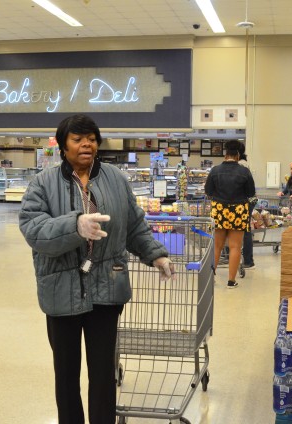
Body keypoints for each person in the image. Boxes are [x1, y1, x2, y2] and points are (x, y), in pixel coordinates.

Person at [18, 114, 174, 424]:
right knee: (66, 374)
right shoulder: (43, 183)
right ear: (64, 146)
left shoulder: (116, 178)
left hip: (107, 287)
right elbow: (33, 228)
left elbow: (133, 225)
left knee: (103, 373)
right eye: (77, 139)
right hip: (61, 290)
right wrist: (74, 225)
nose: (86, 144)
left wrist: (155, 254)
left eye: (91, 138)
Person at [205, 139, 256, 288]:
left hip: (219, 210)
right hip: (238, 211)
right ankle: (231, 281)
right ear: (238, 154)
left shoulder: (215, 170)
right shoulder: (244, 171)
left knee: (217, 246)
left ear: (226, 153)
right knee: (235, 247)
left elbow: (208, 191)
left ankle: (210, 277)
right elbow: (251, 193)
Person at [238, 142, 256, 270]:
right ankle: (247, 259)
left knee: (245, 230)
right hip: (248, 199)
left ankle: (248, 260)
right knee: (245, 229)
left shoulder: (241, 165)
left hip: (245, 201)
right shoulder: (244, 163)